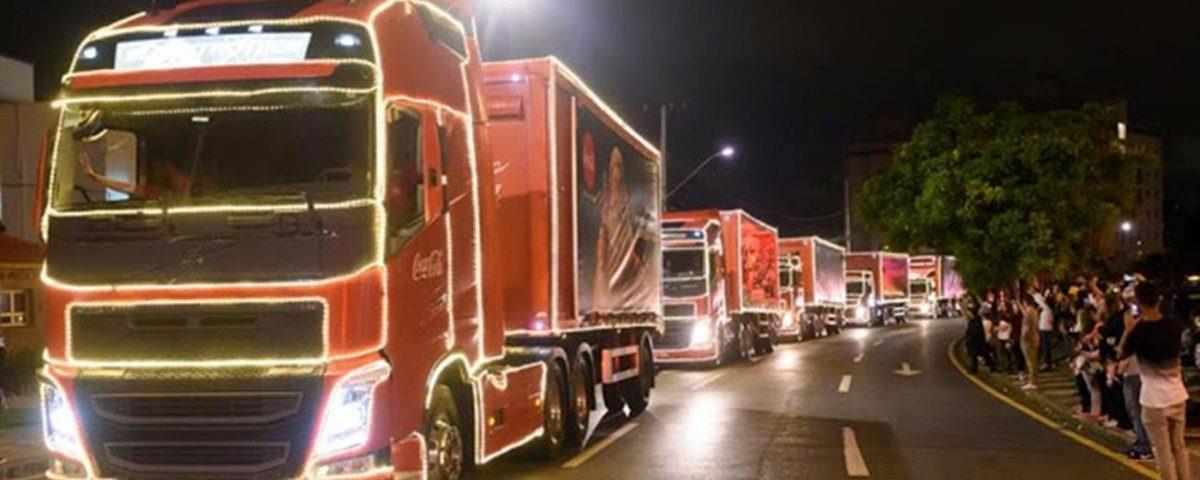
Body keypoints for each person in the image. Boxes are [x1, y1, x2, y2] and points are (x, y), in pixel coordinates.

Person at [1119, 281, 1190, 480]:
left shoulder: (1139, 331)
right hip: (1177, 394)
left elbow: (1121, 354)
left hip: (1153, 399)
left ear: (1138, 303)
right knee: (1179, 447)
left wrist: (1128, 330)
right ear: (1159, 300)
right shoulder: (1174, 325)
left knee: (1163, 451)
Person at [1018, 292, 1041, 389]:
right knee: (1034, 360)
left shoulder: (1027, 314)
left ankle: (1032, 382)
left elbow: (1026, 328)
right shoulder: (1034, 311)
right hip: (1036, 337)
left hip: (1028, 339)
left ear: (1025, 302)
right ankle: (1034, 380)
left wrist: (1022, 338)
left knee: (1029, 361)